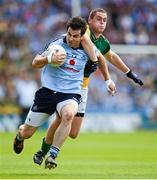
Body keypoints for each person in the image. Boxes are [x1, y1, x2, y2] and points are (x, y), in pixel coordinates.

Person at [33, 8, 144, 169]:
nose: (102, 22)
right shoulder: (84, 34)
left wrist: (127, 73)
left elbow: (108, 57)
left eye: (105, 20)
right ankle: (45, 152)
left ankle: (46, 150)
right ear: (89, 21)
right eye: (98, 19)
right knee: (62, 118)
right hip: (67, 86)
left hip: (82, 87)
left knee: (73, 133)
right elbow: (97, 56)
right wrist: (103, 72)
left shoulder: (102, 41)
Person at [13, 16, 112, 168]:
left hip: (70, 93)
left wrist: (108, 80)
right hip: (47, 92)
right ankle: (20, 135)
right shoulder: (56, 45)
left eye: (75, 36)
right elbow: (34, 63)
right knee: (27, 133)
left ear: (82, 36)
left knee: (68, 115)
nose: (71, 38)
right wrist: (49, 59)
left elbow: (100, 59)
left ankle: (53, 155)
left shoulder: (88, 49)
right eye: (69, 34)